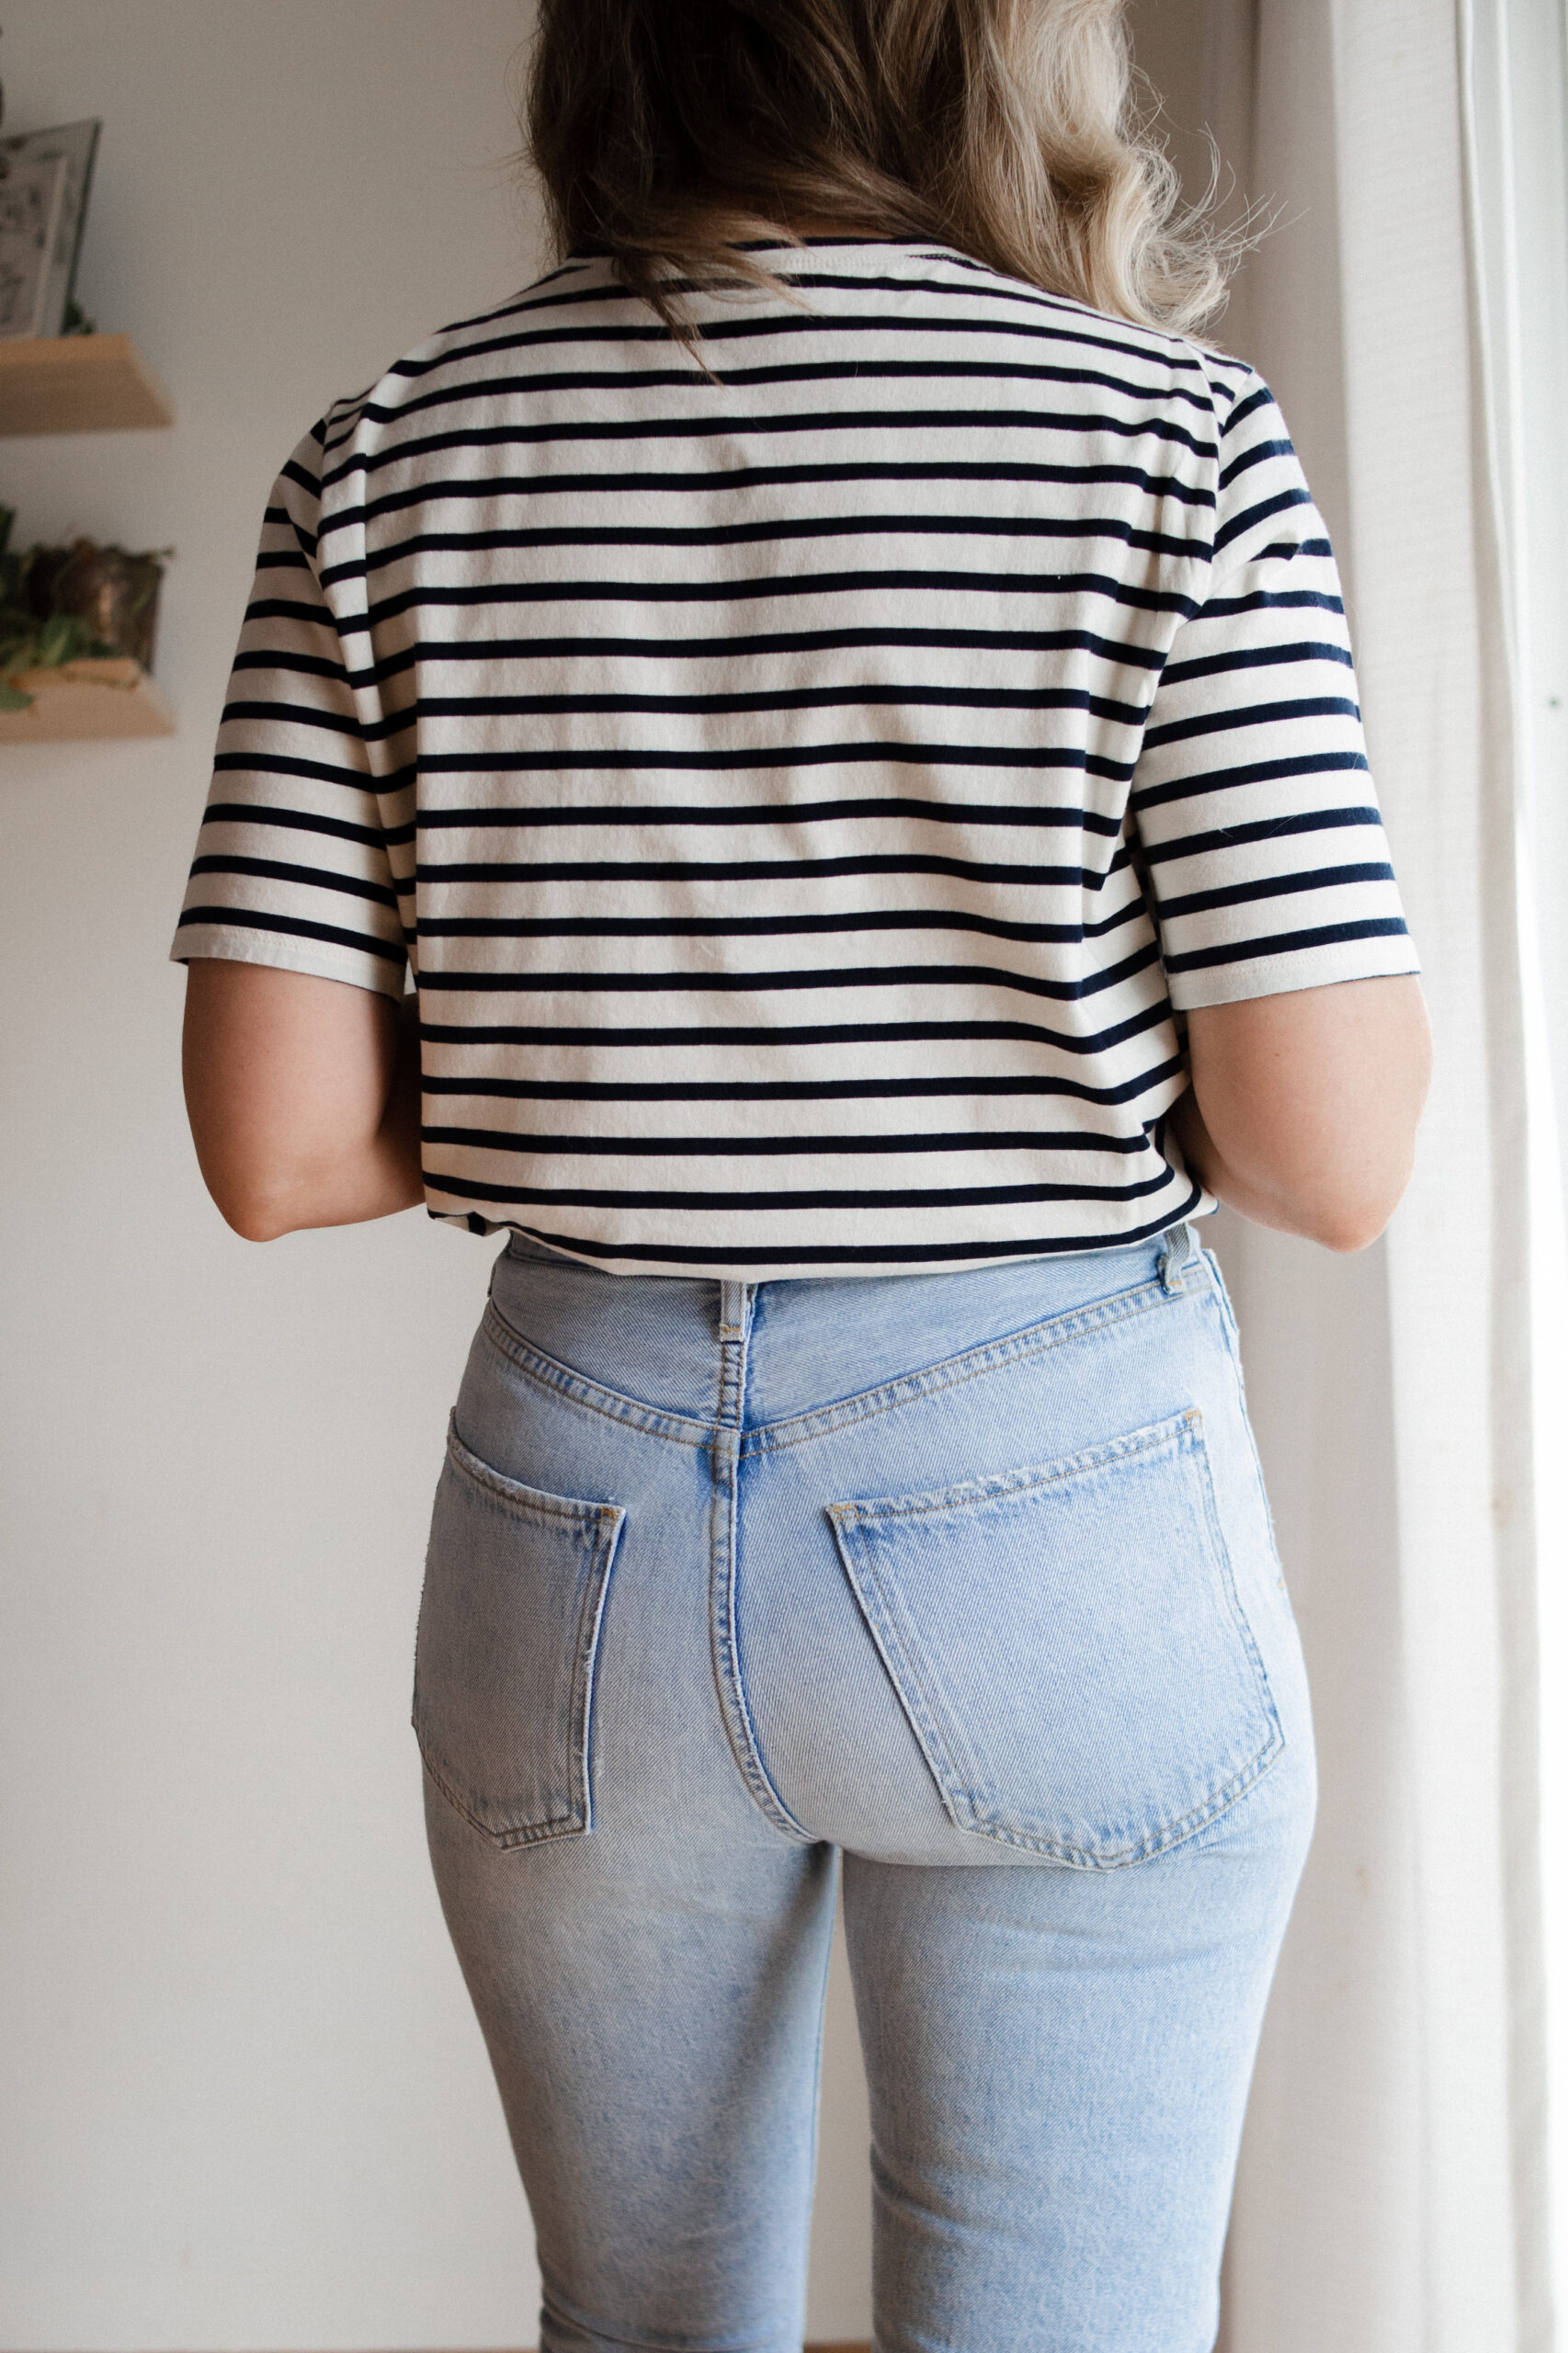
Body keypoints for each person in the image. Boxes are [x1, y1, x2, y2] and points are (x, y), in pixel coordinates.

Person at [174, 3, 1432, 2347]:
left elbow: (275, 1140)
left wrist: (625, 1078)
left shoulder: (392, 447)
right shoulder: (1167, 433)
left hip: (580, 1523)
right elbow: (1331, 1152)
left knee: (639, 2318)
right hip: (1047, 1493)